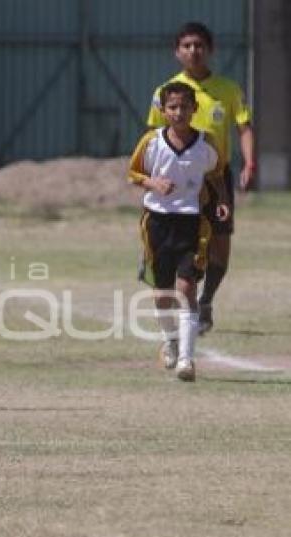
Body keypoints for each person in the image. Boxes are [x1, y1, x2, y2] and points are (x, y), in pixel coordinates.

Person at [146, 21, 255, 335]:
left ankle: (206, 300)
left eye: (199, 45)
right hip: (178, 183)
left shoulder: (228, 89)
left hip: (217, 180)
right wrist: (152, 178)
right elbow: (152, 136)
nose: (194, 51)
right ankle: (179, 293)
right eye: (187, 46)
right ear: (177, 52)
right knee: (177, 245)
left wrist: (249, 162)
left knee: (221, 246)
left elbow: (244, 127)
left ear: (210, 50)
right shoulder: (166, 92)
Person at [130, 82, 229, 381]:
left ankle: (187, 360)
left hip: (191, 223)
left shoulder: (205, 144)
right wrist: (154, 183)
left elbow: (216, 173)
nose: (178, 112)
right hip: (157, 223)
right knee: (162, 293)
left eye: (184, 107)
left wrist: (222, 199)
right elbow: (133, 173)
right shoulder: (152, 141)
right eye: (172, 107)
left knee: (186, 289)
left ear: (194, 109)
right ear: (162, 110)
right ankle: (170, 340)